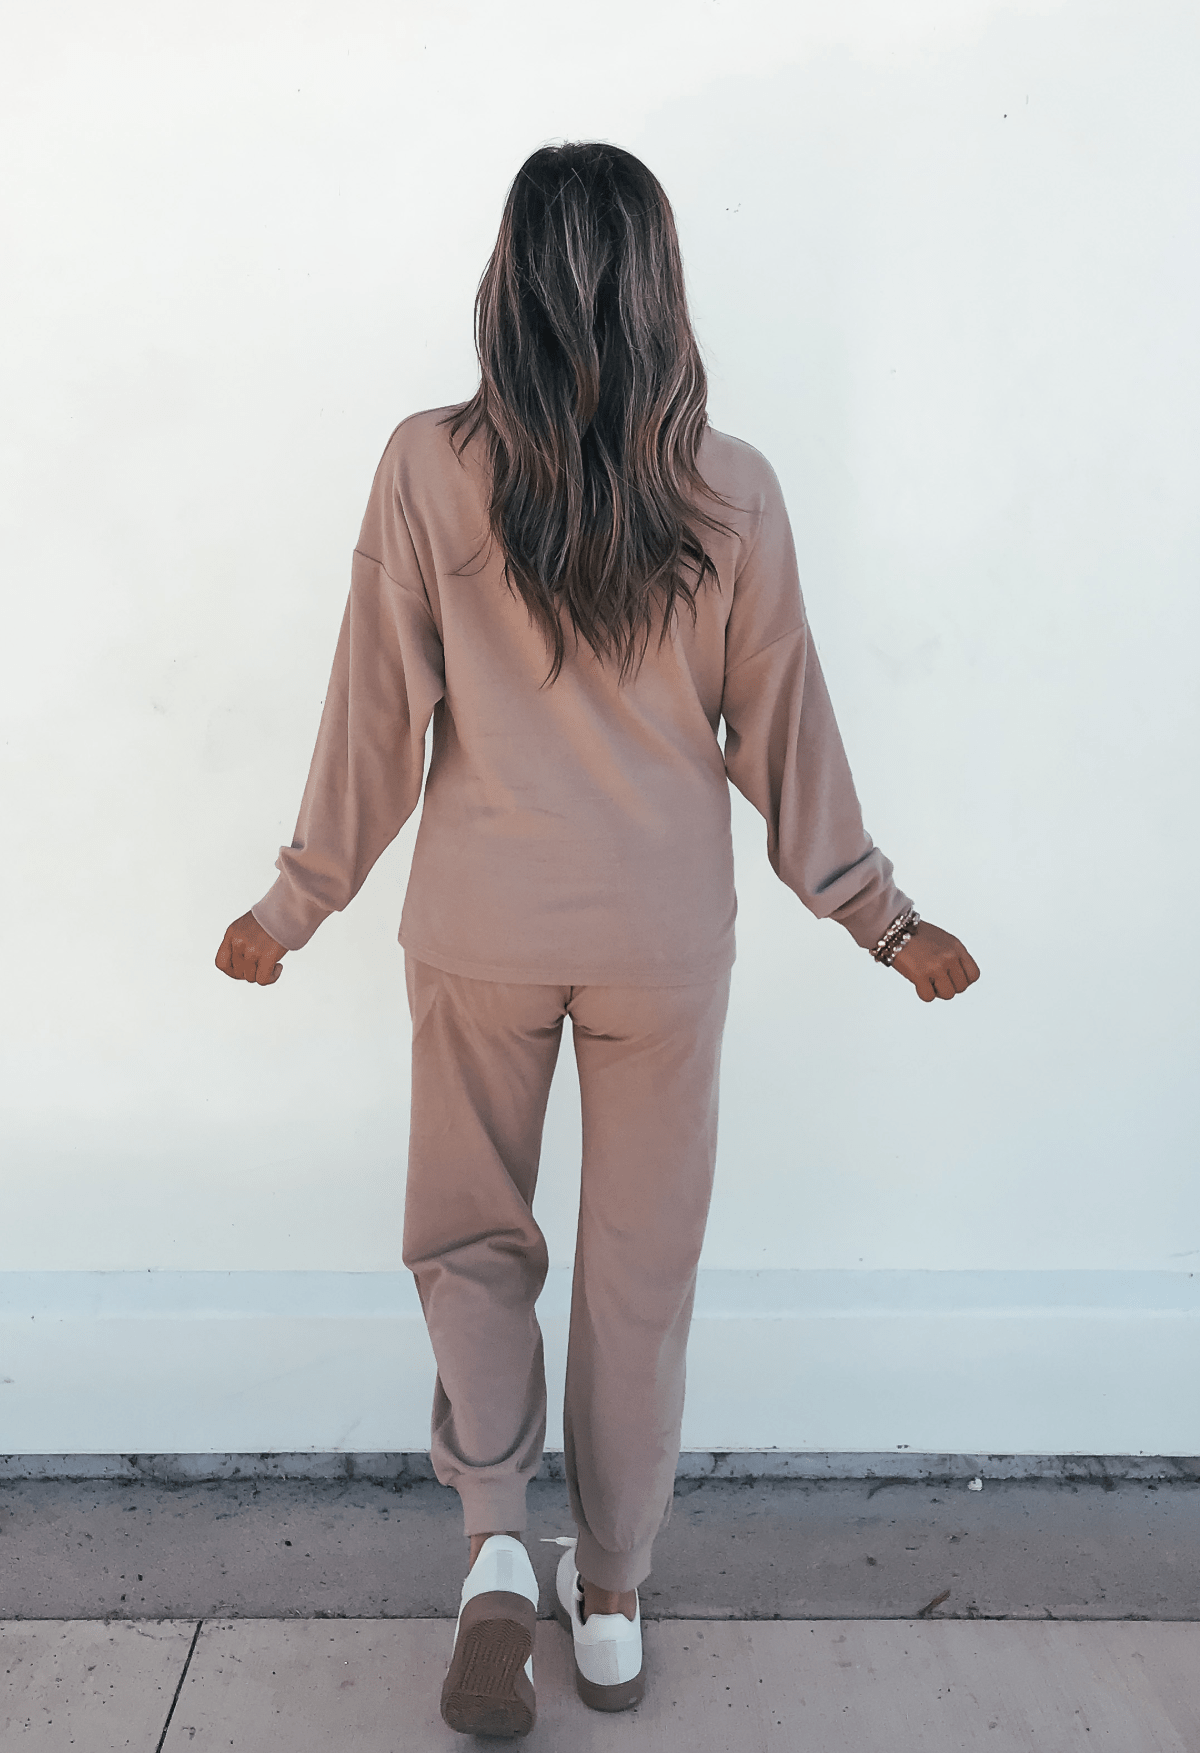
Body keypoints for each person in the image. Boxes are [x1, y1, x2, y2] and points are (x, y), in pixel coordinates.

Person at [215, 141, 980, 1737]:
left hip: (478, 929)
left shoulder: (428, 467)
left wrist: (297, 902)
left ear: (506, 282)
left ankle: (499, 1543)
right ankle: (613, 1597)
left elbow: (373, 713)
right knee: (640, 1277)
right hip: (659, 941)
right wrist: (878, 913)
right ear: (659, 286)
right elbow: (786, 731)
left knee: (468, 1241)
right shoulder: (732, 487)